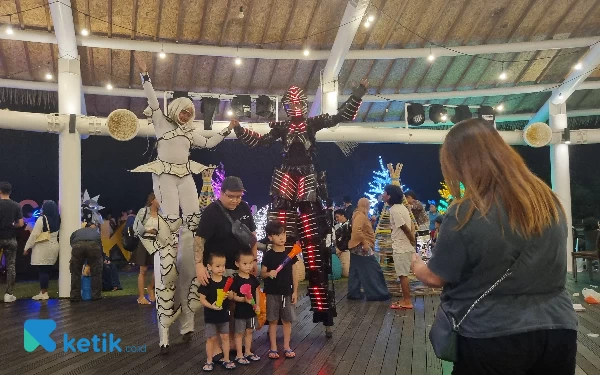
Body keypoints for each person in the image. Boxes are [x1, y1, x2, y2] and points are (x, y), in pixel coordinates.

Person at [411, 119, 577, 374]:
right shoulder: (547, 200)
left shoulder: (467, 210)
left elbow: (436, 277)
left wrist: (417, 266)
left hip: (491, 332)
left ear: (459, 162)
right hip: (558, 326)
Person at [232, 79, 368, 335]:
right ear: (286, 106)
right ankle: (275, 311)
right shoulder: (282, 128)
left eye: (299, 103)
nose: (295, 106)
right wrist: (240, 130)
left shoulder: (312, 123)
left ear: (304, 105)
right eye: (291, 103)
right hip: (286, 180)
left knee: (314, 248)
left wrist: (358, 92)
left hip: (306, 179)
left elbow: (342, 116)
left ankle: (324, 315)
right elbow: (261, 141)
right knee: (281, 239)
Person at [133, 55, 236, 353]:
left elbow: (210, 141)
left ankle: (188, 325)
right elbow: (152, 99)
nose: (187, 115)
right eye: (185, 111)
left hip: (185, 175)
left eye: (191, 112)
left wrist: (228, 129)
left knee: (192, 219)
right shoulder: (161, 122)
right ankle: (166, 331)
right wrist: (145, 75)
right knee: (171, 217)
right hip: (165, 174)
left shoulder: (191, 133)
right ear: (175, 110)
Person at [194, 176, 258, 360]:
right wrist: (199, 265)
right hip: (218, 268)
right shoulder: (211, 212)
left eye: (238, 197)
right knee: (219, 306)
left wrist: (253, 260)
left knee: (237, 306)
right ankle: (216, 347)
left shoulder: (244, 208)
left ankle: (232, 343)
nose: (235, 200)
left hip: (242, 267)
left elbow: (252, 236)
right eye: (231, 196)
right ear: (221, 193)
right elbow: (199, 240)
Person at [261, 220, 298, 359]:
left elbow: (294, 273)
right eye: (277, 235)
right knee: (273, 320)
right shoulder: (268, 255)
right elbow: (262, 273)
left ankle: (287, 347)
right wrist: (269, 273)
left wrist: (295, 291)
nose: (282, 237)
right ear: (270, 237)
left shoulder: (290, 254)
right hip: (271, 293)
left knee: (287, 320)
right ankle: (273, 348)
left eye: (283, 234)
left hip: (287, 292)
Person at [347, 198, 390, 301]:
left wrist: (371, 222)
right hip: (362, 247)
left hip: (356, 247)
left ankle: (354, 293)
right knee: (373, 269)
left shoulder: (358, 214)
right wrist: (365, 243)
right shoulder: (361, 216)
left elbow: (361, 228)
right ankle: (377, 293)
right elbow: (357, 231)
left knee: (355, 271)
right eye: (368, 204)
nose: (369, 206)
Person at [198, 253, 235, 371]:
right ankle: (209, 360)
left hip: (224, 315)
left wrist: (230, 295)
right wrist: (211, 306)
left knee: (225, 336)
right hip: (210, 316)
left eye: (223, 266)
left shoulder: (226, 281)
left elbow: (232, 296)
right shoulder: (207, 282)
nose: (221, 269)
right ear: (209, 267)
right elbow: (202, 300)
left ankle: (227, 359)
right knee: (211, 338)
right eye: (218, 266)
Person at [383, 184, 416, 310]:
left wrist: (412, 240)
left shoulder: (394, 210)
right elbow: (411, 225)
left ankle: (407, 301)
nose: (383, 195)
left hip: (401, 247)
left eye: (385, 192)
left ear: (390, 195)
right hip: (404, 245)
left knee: (403, 275)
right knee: (403, 274)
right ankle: (405, 299)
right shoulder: (402, 207)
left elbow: (404, 227)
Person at [229, 250, 261, 365]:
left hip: (251, 312)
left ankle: (248, 352)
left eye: (250, 263)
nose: (248, 266)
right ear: (237, 264)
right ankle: (239, 355)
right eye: (245, 264)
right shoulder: (235, 280)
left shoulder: (253, 279)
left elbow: (256, 291)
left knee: (249, 331)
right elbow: (231, 296)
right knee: (239, 333)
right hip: (240, 312)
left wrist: (257, 304)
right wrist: (243, 299)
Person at [23, 200, 60, 300]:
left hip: (43, 247)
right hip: (54, 246)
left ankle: (44, 293)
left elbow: (34, 235)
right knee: (47, 270)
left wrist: (27, 247)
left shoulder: (42, 219)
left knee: (42, 270)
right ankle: (44, 291)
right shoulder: (58, 219)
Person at [69, 212, 103, 302]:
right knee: (96, 272)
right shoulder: (96, 232)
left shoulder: (77, 231)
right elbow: (100, 246)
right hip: (93, 246)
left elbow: (71, 242)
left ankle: (75, 296)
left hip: (77, 246)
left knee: (75, 272)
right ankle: (96, 295)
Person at [0, 181, 24, 303]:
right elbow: (20, 223)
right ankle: (9, 294)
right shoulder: (16, 205)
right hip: (10, 239)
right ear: (10, 192)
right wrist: (12, 226)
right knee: (10, 266)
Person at [133, 193, 159, 305]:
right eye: (158, 199)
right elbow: (136, 228)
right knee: (143, 270)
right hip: (144, 242)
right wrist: (148, 231)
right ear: (152, 200)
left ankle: (150, 287)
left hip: (156, 243)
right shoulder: (143, 211)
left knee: (158, 270)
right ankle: (141, 297)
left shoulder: (161, 213)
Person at [334, 209, 351, 277]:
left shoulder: (348, 226)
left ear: (343, 215)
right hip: (341, 249)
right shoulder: (341, 226)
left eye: (337, 217)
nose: (336, 219)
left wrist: (340, 249)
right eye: (336, 217)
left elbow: (347, 240)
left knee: (346, 272)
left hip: (345, 250)